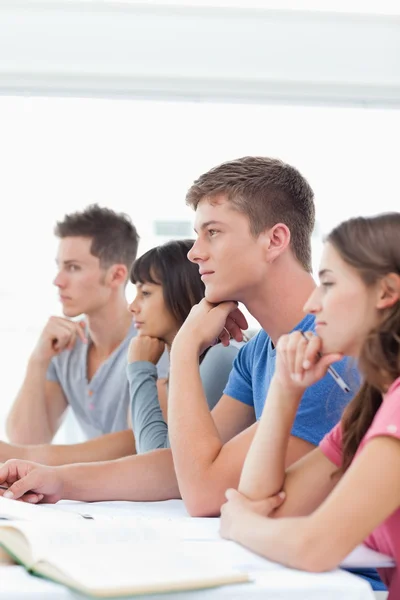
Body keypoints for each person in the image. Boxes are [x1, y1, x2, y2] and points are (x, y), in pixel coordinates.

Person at [219, 213, 400, 597]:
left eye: (329, 284)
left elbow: (315, 547)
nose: (312, 303)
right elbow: (263, 504)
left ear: (386, 292)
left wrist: (239, 524)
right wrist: (285, 392)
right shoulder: (372, 405)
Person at [0, 240, 238, 464]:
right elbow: (151, 456)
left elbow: (160, 462)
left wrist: (139, 370)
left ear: (183, 294)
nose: (132, 306)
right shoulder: (176, 366)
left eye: (145, 293)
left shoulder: (220, 358)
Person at [6, 204, 153, 450]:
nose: (58, 281)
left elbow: (136, 444)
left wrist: (43, 461)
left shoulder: (152, 343)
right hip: (89, 487)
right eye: (59, 266)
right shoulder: (65, 346)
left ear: (116, 276)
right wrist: (37, 361)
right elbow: (26, 442)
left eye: (73, 267)